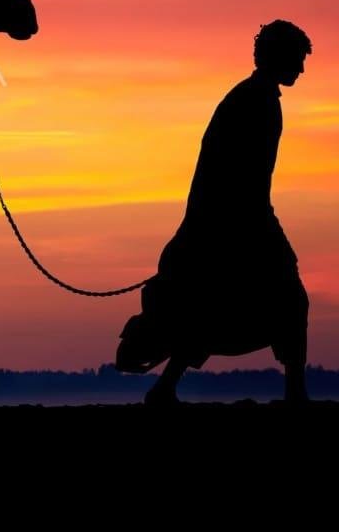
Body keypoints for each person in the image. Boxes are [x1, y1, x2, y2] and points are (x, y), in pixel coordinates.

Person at [115, 20, 312, 405]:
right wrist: (264, 231)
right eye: (298, 59)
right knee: (289, 300)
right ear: (279, 56)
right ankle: (296, 393)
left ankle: (166, 388)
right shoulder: (256, 101)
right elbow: (244, 178)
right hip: (234, 224)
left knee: (208, 309)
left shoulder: (251, 97)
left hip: (221, 224)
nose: (302, 69)